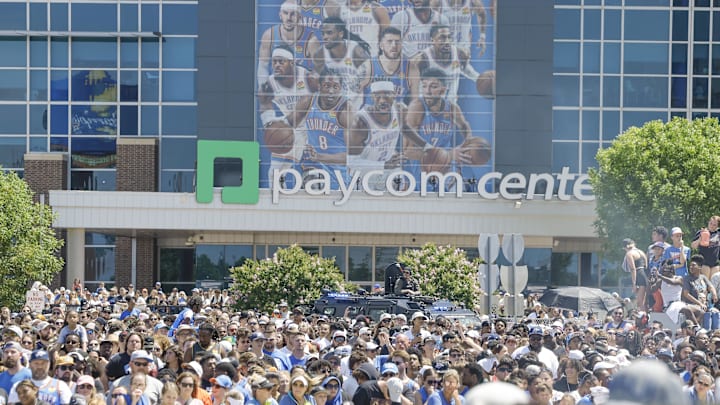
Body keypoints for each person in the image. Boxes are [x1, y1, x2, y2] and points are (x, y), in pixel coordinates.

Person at [404, 67, 471, 192]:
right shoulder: (417, 108)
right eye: (424, 86)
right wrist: (445, 155)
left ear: (443, 90)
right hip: (422, 167)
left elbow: (464, 126)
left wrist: (467, 144)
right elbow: (407, 151)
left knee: (457, 193)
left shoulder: (451, 108)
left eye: (433, 87)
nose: (427, 91)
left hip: (447, 167)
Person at [408, 24, 481, 104]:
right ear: (432, 40)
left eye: (449, 37)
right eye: (442, 38)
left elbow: (468, 71)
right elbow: (412, 86)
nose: (447, 42)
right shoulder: (421, 60)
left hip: (450, 108)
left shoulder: (460, 54)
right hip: (428, 107)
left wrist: (482, 79)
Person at [310, 17, 370, 109]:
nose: (325, 37)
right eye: (323, 34)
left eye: (329, 33)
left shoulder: (355, 49)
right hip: (334, 105)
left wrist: (363, 82)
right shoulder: (320, 54)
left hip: (356, 105)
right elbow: (320, 81)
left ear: (341, 34)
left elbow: (370, 70)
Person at [258, 0, 316, 84]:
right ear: (280, 15)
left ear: (300, 17)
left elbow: (318, 70)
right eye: (285, 13)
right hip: (278, 91)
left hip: (301, 89)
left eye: (293, 14)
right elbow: (263, 67)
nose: (289, 18)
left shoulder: (311, 39)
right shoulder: (269, 36)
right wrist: (263, 89)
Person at [680, 255, 718, 326]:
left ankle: (714, 333)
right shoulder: (687, 279)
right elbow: (686, 294)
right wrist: (699, 303)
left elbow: (711, 287)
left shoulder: (703, 277)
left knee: (715, 313)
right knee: (703, 312)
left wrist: (714, 294)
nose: (691, 267)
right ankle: (698, 328)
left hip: (704, 304)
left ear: (700, 267)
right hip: (693, 304)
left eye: (693, 265)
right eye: (690, 265)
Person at [622, 238, 649, 311]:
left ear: (625, 247)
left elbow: (633, 269)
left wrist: (634, 284)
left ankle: (643, 320)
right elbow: (646, 266)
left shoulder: (629, 253)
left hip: (639, 276)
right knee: (644, 302)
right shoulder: (641, 252)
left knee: (640, 303)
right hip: (645, 275)